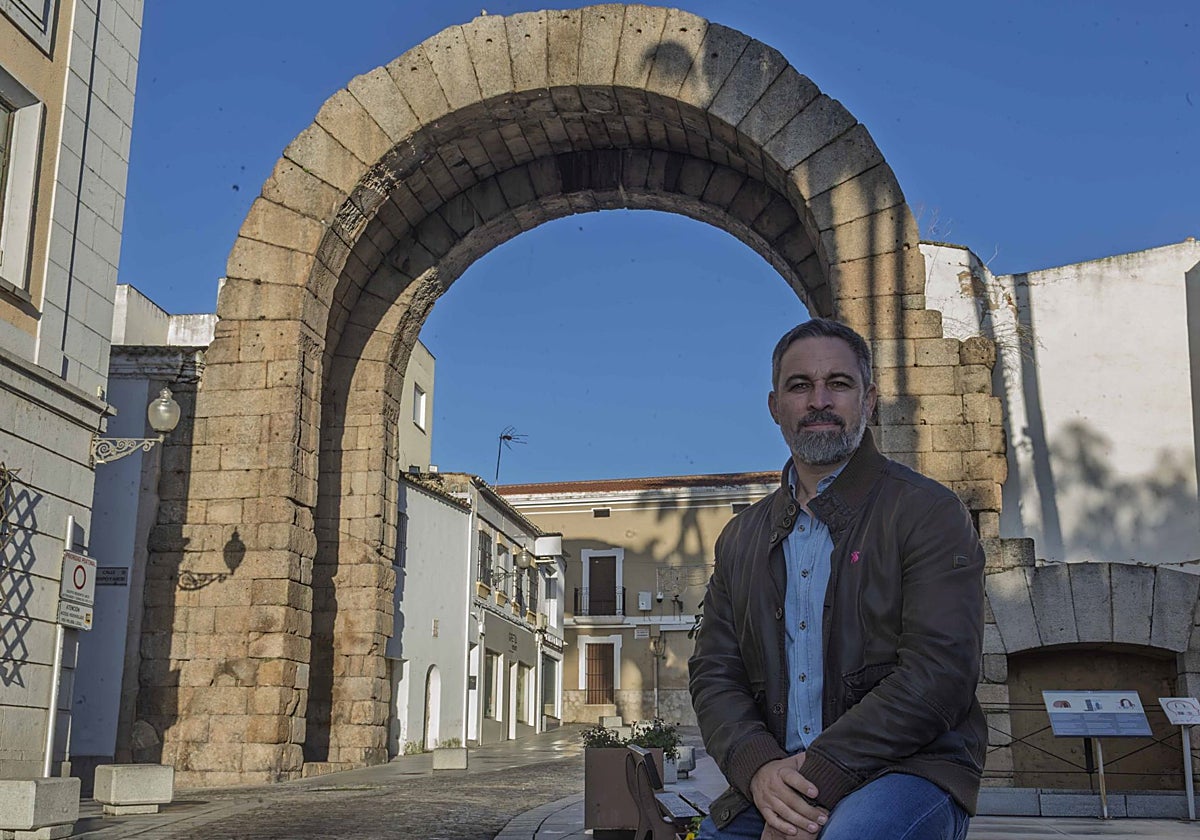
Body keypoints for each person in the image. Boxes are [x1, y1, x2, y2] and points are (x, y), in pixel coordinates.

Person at [689, 318, 987, 840]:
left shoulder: (928, 513)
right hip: (777, 781)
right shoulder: (740, 538)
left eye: (839, 384)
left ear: (869, 400)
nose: (818, 400)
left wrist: (815, 779)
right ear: (774, 406)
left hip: (907, 771)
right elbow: (715, 672)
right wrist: (759, 769)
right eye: (800, 385)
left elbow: (940, 673)